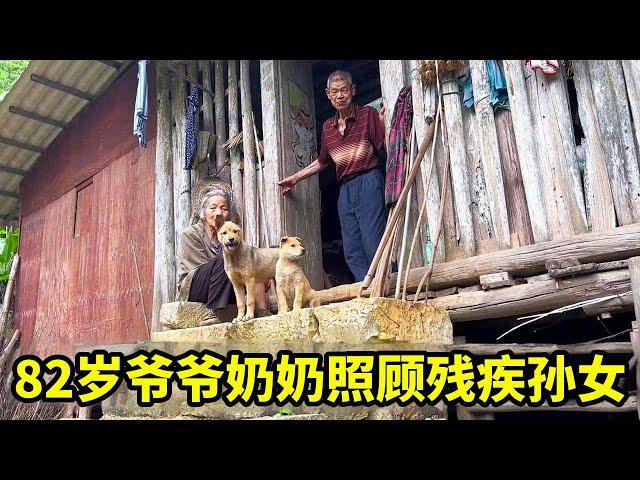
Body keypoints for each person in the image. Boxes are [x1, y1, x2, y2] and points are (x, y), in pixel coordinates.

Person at [278, 70, 387, 282]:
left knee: (373, 240)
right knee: (352, 248)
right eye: (335, 91)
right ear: (328, 94)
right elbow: (323, 161)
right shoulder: (328, 127)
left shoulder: (367, 115)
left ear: (353, 91)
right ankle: (364, 286)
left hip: (369, 180)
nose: (340, 95)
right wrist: (295, 177)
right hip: (345, 189)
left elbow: (383, 145)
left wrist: (385, 122)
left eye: (344, 90)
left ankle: (385, 285)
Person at [176, 189, 269, 323]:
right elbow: (198, 270)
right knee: (226, 257)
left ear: (228, 214)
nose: (218, 213)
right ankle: (214, 312)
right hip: (196, 287)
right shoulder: (190, 234)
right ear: (203, 212)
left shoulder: (230, 235)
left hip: (225, 285)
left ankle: (262, 313)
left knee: (250, 265)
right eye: (212, 208)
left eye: (223, 209)